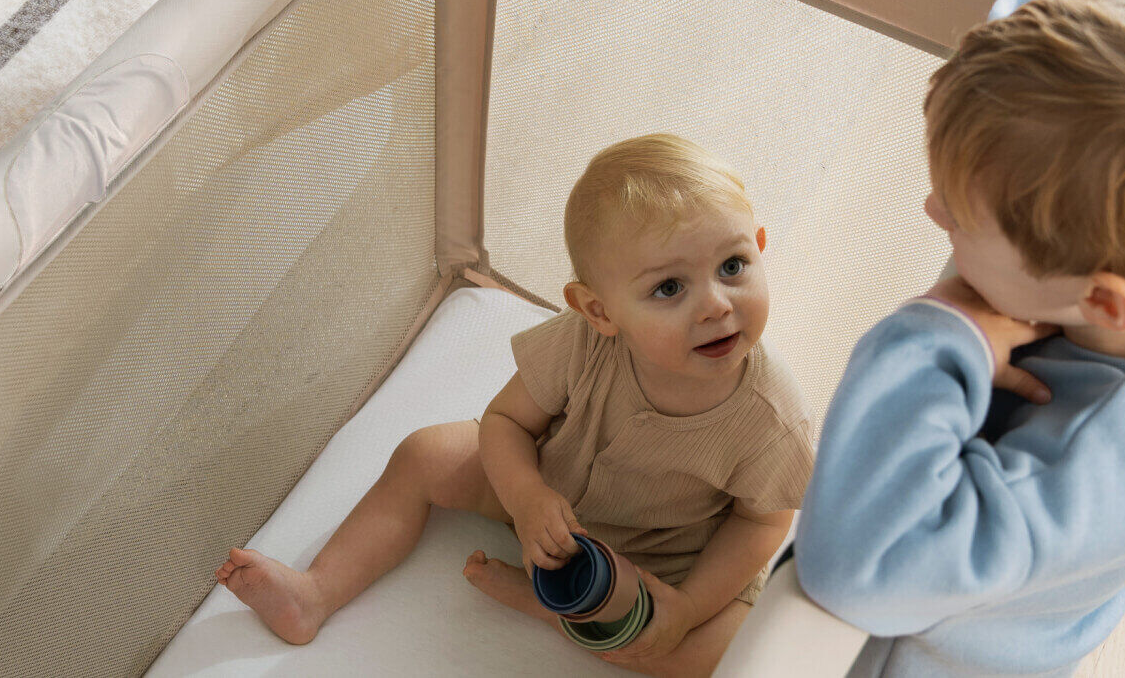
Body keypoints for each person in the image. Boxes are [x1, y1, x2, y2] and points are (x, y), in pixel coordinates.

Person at [213, 133, 815, 675]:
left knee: (724, 653)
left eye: (733, 265)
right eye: (669, 287)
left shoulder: (771, 417)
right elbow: (505, 423)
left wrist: (686, 607)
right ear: (598, 311)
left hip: (666, 556)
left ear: (761, 247)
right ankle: (317, 592)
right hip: (547, 492)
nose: (716, 304)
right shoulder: (581, 343)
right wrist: (526, 499)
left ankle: (555, 607)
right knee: (426, 453)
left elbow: (762, 522)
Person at [793, 0, 1125, 674]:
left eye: (961, 216)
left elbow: (858, 567)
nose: (930, 209)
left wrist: (939, 330)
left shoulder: (1091, 461)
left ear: (1102, 304)